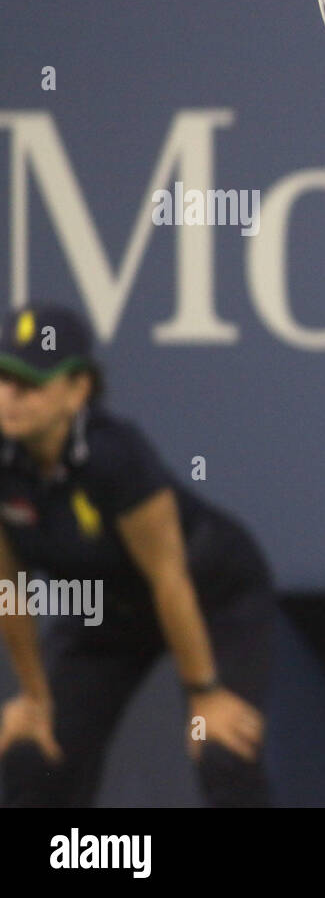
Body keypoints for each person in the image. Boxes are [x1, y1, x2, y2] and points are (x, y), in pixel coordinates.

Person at [0, 305, 274, 807]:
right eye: (3, 379)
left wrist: (204, 693)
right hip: (106, 614)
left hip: (211, 596)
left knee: (220, 748)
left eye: (29, 384)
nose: (9, 398)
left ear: (77, 390)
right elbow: (8, 587)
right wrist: (34, 697)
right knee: (35, 751)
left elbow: (169, 580)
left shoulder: (116, 457)